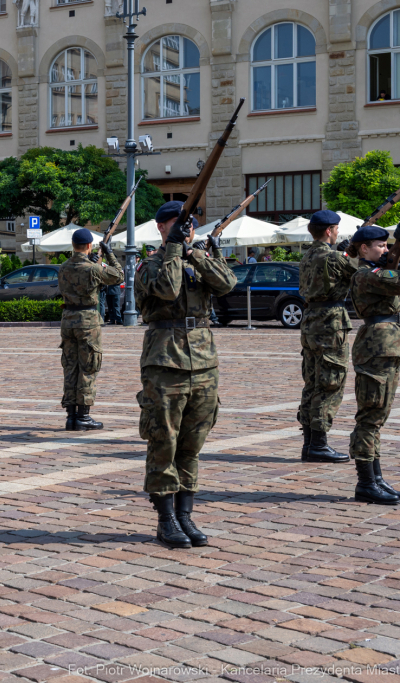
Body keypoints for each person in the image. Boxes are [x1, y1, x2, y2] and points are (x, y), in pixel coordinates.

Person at [133, 201, 237, 549]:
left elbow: (227, 284)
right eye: (178, 224)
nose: (187, 227)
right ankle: (165, 519)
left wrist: (195, 254)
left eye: (189, 223)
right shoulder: (149, 264)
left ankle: (185, 514)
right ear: (161, 228)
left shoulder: (195, 258)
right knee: (165, 441)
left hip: (204, 360)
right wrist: (175, 249)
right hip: (165, 361)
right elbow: (165, 289)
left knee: (193, 443)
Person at [347, 224, 400, 505]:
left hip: (387, 347)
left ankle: (377, 478)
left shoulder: (380, 274)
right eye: (380, 245)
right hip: (376, 348)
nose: (385, 249)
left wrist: (399, 261)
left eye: (386, 245)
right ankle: (366, 483)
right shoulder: (367, 275)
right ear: (363, 249)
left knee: (378, 415)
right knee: (370, 416)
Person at [297, 210, 356, 464]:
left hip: (310, 321)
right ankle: (319, 444)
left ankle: (309, 444)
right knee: (330, 383)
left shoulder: (308, 254)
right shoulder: (332, 257)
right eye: (337, 229)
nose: (338, 233)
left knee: (311, 382)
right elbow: (357, 273)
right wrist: (350, 253)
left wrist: (345, 252)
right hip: (330, 322)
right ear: (330, 230)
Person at [58, 229, 122, 431]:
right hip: (87, 320)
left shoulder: (63, 268)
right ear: (88, 246)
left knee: (70, 367)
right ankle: (83, 416)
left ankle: (70, 416)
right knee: (88, 366)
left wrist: (94, 262)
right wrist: (108, 254)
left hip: (67, 319)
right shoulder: (92, 269)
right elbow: (118, 275)